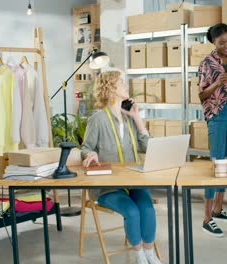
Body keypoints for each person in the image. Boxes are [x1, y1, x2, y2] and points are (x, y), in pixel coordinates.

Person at [81, 70, 162, 264]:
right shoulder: (98, 119)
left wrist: (137, 119)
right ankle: (139, 255)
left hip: (132, 182)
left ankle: (150, 253)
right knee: (132, 211)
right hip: (107, 186)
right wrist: (89, 154)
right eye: (122, 83)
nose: (126, 86)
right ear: (110, 88)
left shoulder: (129, 120)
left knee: (147, 208)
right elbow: (85, 147)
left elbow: (148, 148)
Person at [197, 23, 227, 237]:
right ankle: (207, 218)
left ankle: (218, 209)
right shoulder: (207, 63)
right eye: (222, 42)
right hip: (216, 115)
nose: (226, 45)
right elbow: (202, 95)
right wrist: (217, 84)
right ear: (213, 42)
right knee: (216, 165)